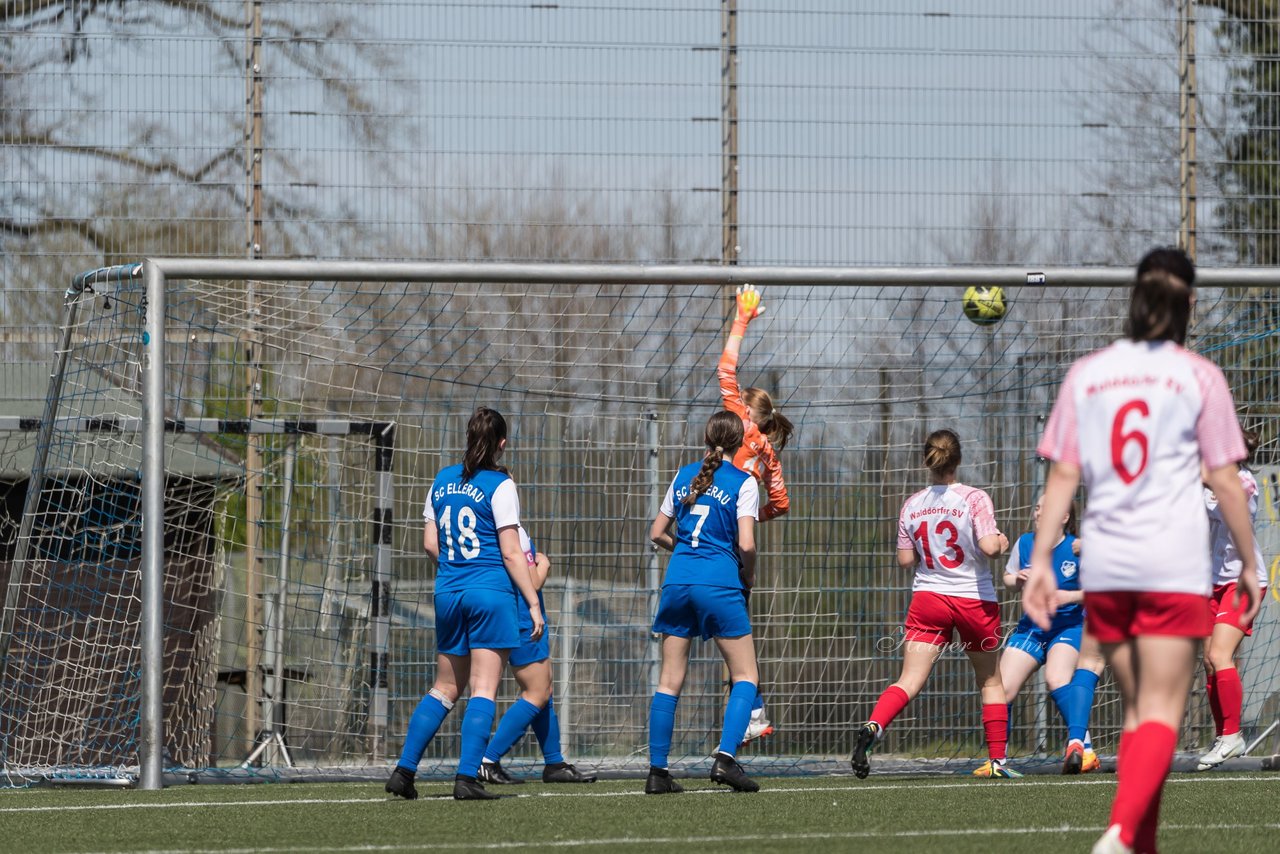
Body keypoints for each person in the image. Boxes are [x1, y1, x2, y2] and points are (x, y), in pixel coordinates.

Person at [1024, 248, 1262, 854]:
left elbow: (1061, 477)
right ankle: (1121, 833)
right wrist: (1251, 563)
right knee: (1160, 711)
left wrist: (1042, 562)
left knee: (1137, 712)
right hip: (1173, 563)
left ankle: (1138, 843)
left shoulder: (1088, 373)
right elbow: (1228, 481)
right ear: (1187, 304)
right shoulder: (1199, 376)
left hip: (1108, 562)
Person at [385, 407, 545, 801]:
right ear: (501, 444)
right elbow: (510, 551)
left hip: (448, 592)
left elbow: (429, 542)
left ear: (468, 438)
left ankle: (404, 772)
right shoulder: (501, 484)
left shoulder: (441, 480)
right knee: (484, 687)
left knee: (443, 688)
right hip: (489, 592)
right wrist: (533, 603)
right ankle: (466, 778)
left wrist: (456, 568)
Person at [850, 429, 1015, 779]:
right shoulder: (974, 498)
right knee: (990, 681)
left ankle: (874, 726)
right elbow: (988, 548)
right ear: (958, 460)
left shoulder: (913, 503)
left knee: (909, 679)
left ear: (928, 461)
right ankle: (998, 761)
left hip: (929, 599)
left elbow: (906, 560)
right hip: (973, 599)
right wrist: (1001, 542)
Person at [645, 409, 761, 794]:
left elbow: (657, 532)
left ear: (706, 439)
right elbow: (746, 544)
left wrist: (685, 549)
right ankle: (726, 760)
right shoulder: (744, 481)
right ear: (739, 443)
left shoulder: (683, 475)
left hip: (677, 581)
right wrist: (747, 576)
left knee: (669, 679)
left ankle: (657, 772)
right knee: (746, 676)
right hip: (719, 583)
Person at [718, 283, 794, 744]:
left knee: (718, 639)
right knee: (736, 636)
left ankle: (752, 713)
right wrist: (754, 515)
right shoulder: (768, 453)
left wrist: (742, 320)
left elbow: (726, 367)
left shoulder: (739, 422)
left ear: (748, 410)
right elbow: (782, 504)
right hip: (738, 544)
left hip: (717, 542)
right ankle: (754, 712)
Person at [478, 524, 596, 785]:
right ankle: (487, 760)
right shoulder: (513, 531)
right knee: (538, 692)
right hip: (522, 616)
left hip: (496, 610)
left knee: (544, 690)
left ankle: (554, 763)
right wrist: (544, 564)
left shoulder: (485, 527)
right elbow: (532, 582)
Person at [1000, 495, 1098, 773]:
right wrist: (1016, 579)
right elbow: (1007, 579)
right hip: (1032, 628)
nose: (1038, 511)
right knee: (1002, 688)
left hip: (1069, 627)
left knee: (1057, 679)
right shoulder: (1025, 543)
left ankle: (1084, 748)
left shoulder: (1078, 549)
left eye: (1046, 506)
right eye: (1037, 506)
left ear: (1065, 517)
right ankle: (999, 759)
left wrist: (1068, 596)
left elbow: (1099, 591)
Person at [1198, 428, 1268, 771]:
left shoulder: (1242, 482)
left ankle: (1232, 735)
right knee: (1210, 662)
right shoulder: (1209, 485)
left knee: (1219, 654)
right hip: (1214, 581)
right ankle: (1223, 736)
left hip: (1245, 580)